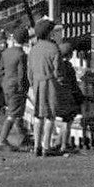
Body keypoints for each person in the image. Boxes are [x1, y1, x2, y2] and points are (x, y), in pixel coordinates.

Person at [26, 19, 61, 157]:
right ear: (49, 33)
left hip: (37, 83)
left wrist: (32, 83)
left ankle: (36, 146)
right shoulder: (53, 48)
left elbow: (30, 71)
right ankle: (46, 146)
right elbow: (58, 71)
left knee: (38, 115)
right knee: (50, 115)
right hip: (50, 83)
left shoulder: (33, 49)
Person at [0, 28, 31, 151]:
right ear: (26, 40)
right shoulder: (22, 55)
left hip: (6, 85)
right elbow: (22, 74)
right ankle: (2, 140)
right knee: (12, 114)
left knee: (16, 113)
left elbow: (1, 70)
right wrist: (24, 88)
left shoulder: (5, 52)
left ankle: (23, 138)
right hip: (17, 87)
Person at [52, 41, 84, 155]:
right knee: (68, 121)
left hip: (57, 97)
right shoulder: (68, 67)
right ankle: (64, 145)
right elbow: (73, 84)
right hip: (67, 97)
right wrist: (79, 95)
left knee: (64, 120)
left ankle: (57, 142)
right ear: (70, 55)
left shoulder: (56, 65)